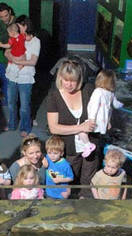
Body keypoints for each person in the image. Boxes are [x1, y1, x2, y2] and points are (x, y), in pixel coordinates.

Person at [47, 59, 98, 198]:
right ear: (60, 78)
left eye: (73, 80)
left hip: (91, 146)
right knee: (69, 179)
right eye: (66, 80)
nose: (69, 84)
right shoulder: (54, 97)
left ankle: (85, 206)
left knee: (88, 180)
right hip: (69, 148)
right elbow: (54, 128)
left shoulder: (88, 89)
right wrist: (80, 127)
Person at [5, 17, 41, 137]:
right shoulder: (15, 37)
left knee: (24, 106)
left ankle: (25, 127)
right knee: (11, 102)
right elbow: (6, 52)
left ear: (25, 26)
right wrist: (16, 60)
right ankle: (12, 124)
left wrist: (16, 60)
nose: (16, 29)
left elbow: (33, 61)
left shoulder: (35, 41)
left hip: (25, 77)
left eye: (18, 26)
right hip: (12, 75)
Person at [78, 69, 123, 158]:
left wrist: (91, 119)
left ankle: (88, 145)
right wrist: (124, 105)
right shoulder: (111, 93)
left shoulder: (98, 91)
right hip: (103, 122)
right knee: (94, 135)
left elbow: (94, 106)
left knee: (81, 131)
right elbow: (116, 105)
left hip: (95, 120)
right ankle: (88, 146)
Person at [0, 2, 15, 105]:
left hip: (18, 60)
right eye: (1, 17)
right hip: (4, 60)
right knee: (5, 83)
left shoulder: (18, 22)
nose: (4, 19)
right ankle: (7, 108)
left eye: (6, 16)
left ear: (10, 12)